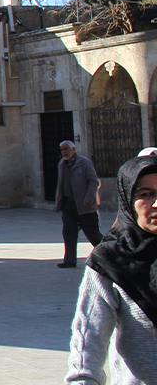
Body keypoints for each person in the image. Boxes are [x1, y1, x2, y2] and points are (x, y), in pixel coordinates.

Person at [67, 154, 157, 384]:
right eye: (146, 195)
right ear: (128, 201)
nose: (156, 203)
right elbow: (89, 341)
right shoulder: (111, 261)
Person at [55, 140, 103, 268]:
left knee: (92, 234)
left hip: (85, 206)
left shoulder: (84, 163)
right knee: (68, 233)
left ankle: (109, 256)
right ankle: (70, 260)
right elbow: (61, 184)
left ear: (73, 149)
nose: (65, 152)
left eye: (66, 149)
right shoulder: (62, 164)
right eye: (62, 150)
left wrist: (89, 197)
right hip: (68, 205)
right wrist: (59, 202)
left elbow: (94, 181)